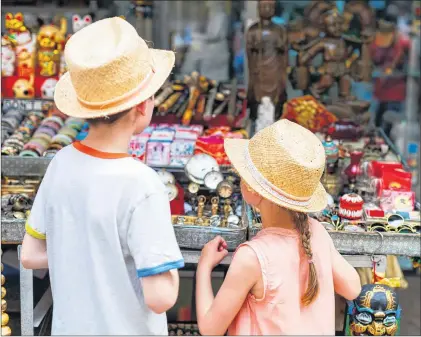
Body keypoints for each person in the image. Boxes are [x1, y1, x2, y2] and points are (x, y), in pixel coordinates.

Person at [20, 17, 184, 335]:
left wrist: (91, 255)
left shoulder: (60, 164)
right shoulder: (142, 185)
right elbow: (161, 296)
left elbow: (30, 254)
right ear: (143, 104)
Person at [195, 119, 361, 335]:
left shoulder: (252, 257)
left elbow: (210, 329)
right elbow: (353, 288)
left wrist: (204, 266)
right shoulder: (316, 231)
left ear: (252, 190)